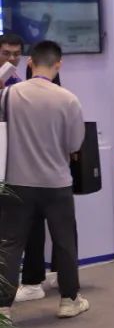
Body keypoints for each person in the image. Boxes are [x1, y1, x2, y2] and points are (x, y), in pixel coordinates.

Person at [0, 40, 87, 320]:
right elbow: (74, 144)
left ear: (30, 62)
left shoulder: (9, 94)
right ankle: (69, 300)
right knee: (64, 242)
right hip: (56, 183)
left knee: (10, 245)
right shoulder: (68, 99)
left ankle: (3, 308)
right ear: (58, 64)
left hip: (17, 182)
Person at [0, 33, 61, 304]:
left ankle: (33, 280)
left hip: (22, 165)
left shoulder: (23, 83)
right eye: (6, 53)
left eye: (16, 54)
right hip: (4, 163)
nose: (12, 58)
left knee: (31, 223)